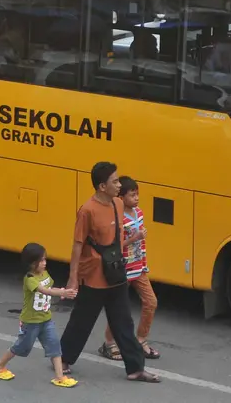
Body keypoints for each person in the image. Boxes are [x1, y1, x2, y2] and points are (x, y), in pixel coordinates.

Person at [59, 162, 160, 383]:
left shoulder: (117, 203)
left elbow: (121, 235)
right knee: (82, 321)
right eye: (115, 181)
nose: (119, 184)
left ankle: (135, 368)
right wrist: (73, 277)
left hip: (115, 273)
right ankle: (63, 359)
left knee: (123, 322)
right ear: (102, 186)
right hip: (94, 275)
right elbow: (77, 244)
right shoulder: (87, 210)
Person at [0, 243, 79, 387]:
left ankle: (60, 377)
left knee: (55, 346)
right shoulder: (30, 279)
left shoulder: (45, 274)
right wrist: (62, 292)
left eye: (45, 259)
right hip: (30, 322)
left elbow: (50, 288)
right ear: (31, 263)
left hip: (46, 319)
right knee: (21, 347)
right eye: (41, 260)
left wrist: (61, 291)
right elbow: (45, 291)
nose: (44, 263)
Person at [99, 176, 160, 362]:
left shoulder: (139, 213)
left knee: (151, 302)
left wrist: (143, 263)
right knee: (119, 308)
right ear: (121, 197)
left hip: (139, 268)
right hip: (123, 270)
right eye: (132, 195)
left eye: (137, 195)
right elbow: (115, 245)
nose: (136, 198)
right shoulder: (116, 217)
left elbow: (141, 244)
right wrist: (135, 238)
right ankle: (109, 343)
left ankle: (141, 340)